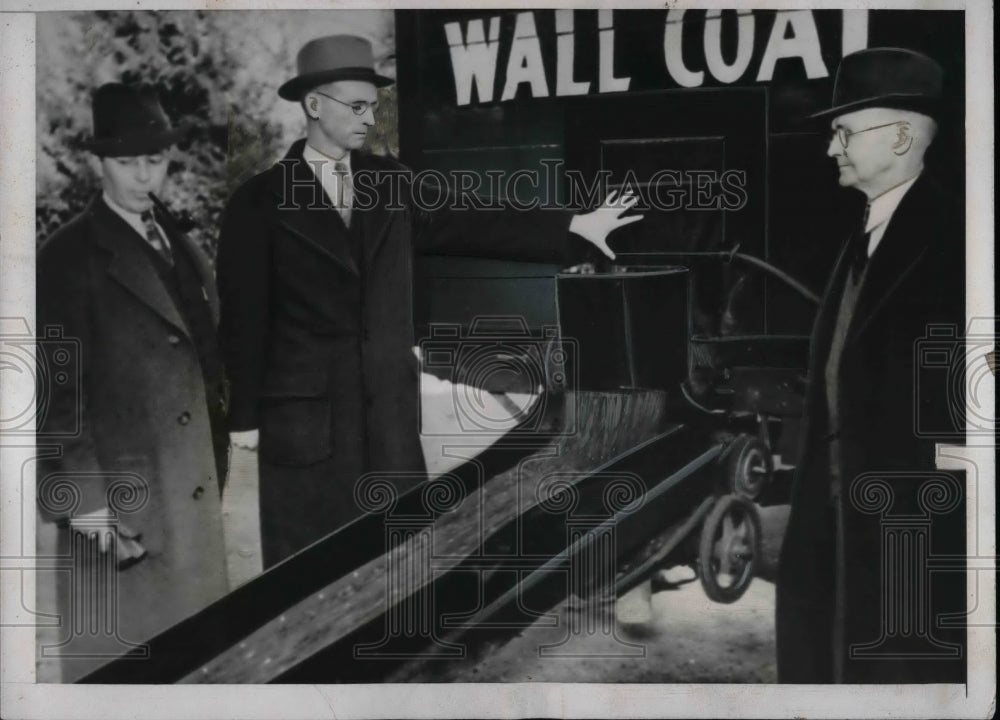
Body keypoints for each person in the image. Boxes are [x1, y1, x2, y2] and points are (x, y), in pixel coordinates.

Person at [216, 35, 641, 568]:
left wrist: (575, 226)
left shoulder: (391, 183)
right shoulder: (257, 203)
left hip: (390, 426)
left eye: (372, 106)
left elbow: (474, 220)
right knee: (310, 577)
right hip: (306, 431)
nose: (369, 119)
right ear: (313, 105)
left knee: (399, 572)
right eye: (355, 105)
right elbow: (242, 319)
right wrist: (244, 419)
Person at [776, 48, 966, 683]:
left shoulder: (955, 239)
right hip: (841, 509)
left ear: (904, 136)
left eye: (845, 131)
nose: (832, 148)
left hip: (907, 523)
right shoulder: (867, 230)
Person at [36, 83, 230, 681]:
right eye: (127, 162)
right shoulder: (65, 258)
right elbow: (51, 397)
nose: (144, 177)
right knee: (124, 676)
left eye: (155, 160)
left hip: (191, 499)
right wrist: (87, 502)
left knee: (199, 672)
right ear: (98, 163)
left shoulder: (184, 247)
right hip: (121, 518)